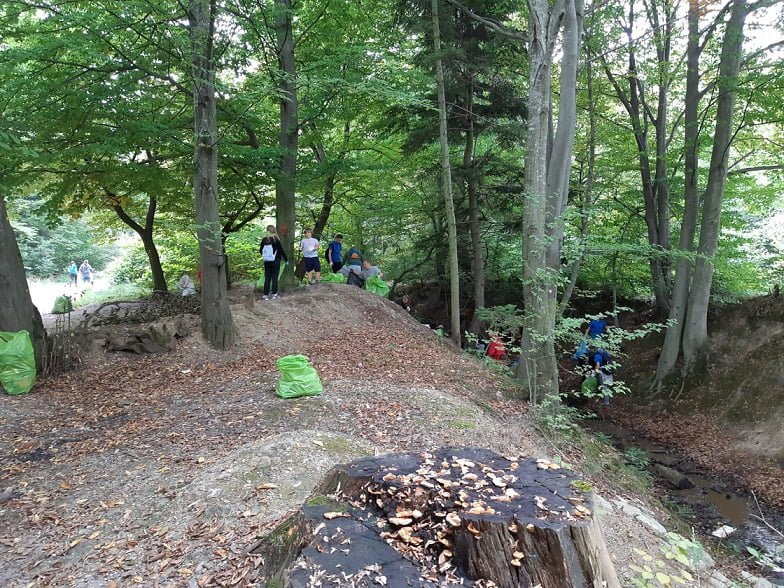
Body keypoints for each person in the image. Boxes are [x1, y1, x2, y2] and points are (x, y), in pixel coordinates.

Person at [259, 225, 287, 300]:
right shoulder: (276, 239)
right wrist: (286, 260)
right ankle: (274, 294)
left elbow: (260, 250)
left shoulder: (264, 240)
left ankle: (265, 295)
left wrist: (266, 256)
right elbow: (281, 250)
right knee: (275, 278)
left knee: (267, 278)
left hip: (267, 262)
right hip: (276, 261)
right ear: (274, 230)